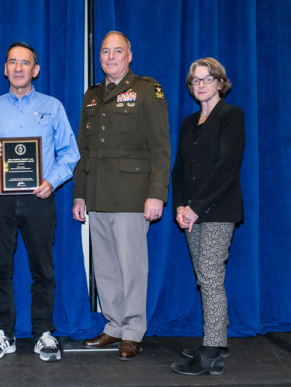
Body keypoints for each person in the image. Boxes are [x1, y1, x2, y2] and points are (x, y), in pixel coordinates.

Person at [0, 42, 79, 362]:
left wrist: (52, 182)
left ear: (35, 70)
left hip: (39, 197)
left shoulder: (53, 106)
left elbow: (70, 153)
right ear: (5, 69)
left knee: (43, 268)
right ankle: (4, 333)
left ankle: (44, 333)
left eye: (25, 62)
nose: (18, 68)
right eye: (12, 62)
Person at [72, 31, 171, 360]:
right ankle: (113, 326)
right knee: (106, 268)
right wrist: (79, 195)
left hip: (132, 196)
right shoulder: (91, 96)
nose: (110, 57)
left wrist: (156, 193)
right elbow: (84, 153)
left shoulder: (146, 90)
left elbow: (160, 147)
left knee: (132, 267)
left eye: (117, 51)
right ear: (99, 57)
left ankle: (133, 331)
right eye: (105, 52)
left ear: (129, 56)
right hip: (98, 197)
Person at [170, 58, 245, 376]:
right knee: (205, 277)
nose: (200, 85)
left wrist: (196, 208)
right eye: (194, 81)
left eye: (206, 79)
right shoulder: (189, 123)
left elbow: (225, 168)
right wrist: (179, 208)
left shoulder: (231, 116)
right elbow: (180, 170)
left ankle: (211, 351)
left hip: (217, 210)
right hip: (189, 213)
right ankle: (218, 339)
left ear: (220, 82)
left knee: (211, 279)